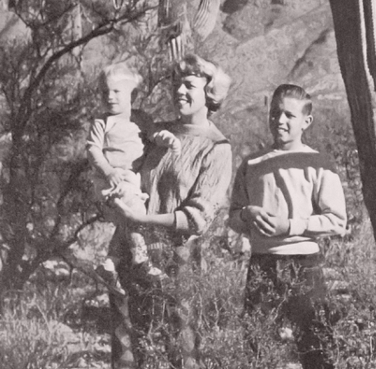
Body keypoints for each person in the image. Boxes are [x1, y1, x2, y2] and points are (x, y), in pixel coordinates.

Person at [105, 54, 233, 369]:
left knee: (181, 347)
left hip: (179, 257)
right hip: (132, 248)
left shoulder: (216, 148)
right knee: (127, 345)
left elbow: (198, 217)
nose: (179, 91)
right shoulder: (154, 134)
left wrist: (142, 219)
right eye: (176, 84)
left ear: (210, 92)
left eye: (189, 85)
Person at [228, 84, 348, 369]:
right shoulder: (252, 163)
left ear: (306, 121)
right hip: (262, 262)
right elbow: (232, 217)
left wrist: (290, 226)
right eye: (275, 113)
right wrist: (247, 215)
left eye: (289, 115)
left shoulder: (318, 163)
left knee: (316, 346)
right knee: (258, 346)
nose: (279, 121)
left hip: (304, 264)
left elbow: (337, 220)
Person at [86, 63, 181, 292]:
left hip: (131, 180)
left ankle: (110, 263)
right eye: (104, 92)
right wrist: (108, 171)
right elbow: (92, 149)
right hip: (110, 181)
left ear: (133, 95)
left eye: (116, 91)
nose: (110, 97)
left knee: (127, 221)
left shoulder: (141, 118)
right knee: (135, 214)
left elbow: (153, 135)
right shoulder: (102, 122)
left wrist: (166, 138)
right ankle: (140, 259)